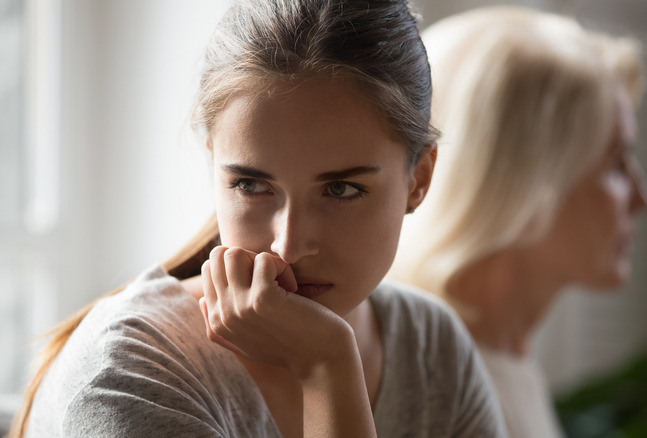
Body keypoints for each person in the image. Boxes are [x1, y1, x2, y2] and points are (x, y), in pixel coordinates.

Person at [9, 1, 507, 437]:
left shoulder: (429, 345)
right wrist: (325, 365)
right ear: (214, 166)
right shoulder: (129, 376)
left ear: (418, 179)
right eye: (250, 184)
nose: (287, 248)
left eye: (341, 189)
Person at [390, 6, 647, 438]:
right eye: (616, 164)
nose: (645, 199)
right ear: (524, 183)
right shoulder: (428, 381)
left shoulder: (503, 356)